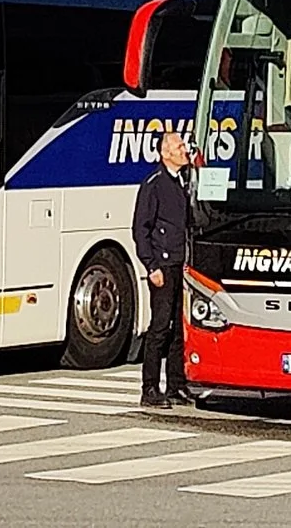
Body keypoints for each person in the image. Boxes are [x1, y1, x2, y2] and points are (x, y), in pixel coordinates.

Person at [132, 123, 193, 408]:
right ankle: (150, 388)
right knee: (159, 328)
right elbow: (140, 228)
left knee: (179, 328)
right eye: (179, 146)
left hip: (181, 264)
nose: (185, 150)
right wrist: (151, 265)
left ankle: (176, 385)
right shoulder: (154, 184)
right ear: (165, 152)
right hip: (163, 267)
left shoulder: (184, 181)